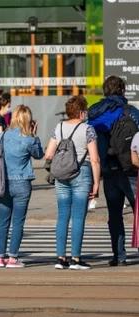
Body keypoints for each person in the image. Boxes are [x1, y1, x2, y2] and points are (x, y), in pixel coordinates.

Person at [88, 76, 139, 266]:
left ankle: (119, 256)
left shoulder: (94, 113)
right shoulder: (130, 111)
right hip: (131, 169)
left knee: (114, 215)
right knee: (138, 213)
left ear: (105, 91)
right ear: (123, 90)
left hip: (108, 168)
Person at [45, 96, 100, 270]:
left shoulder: (59, 127)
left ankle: (60, 258)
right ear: (82, 112)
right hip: (81, 173)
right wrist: (96, 183)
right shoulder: (88, 129)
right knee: (78, 217)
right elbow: (95, 159)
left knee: (62, 216)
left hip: (61, 175)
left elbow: (48, 154)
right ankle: (75, 259)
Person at [0, 105, 44, 268]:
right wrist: (35, 135)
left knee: (2, 221)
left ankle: (0, 257)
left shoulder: (4, 136)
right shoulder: (29, 139)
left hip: (3, 182)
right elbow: (39, 154)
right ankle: (13, 258)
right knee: (18, 222)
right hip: (22, 182)